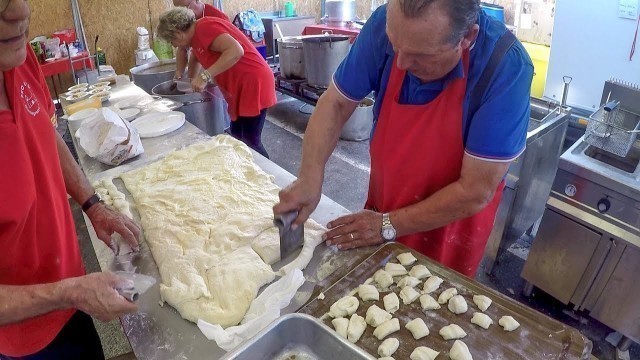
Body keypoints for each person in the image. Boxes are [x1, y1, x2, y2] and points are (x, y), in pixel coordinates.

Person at [274, 0, 533, 277]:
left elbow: (475, 190)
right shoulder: (386, 25)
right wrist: (310, 176)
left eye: (420, 56)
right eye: (395, 46)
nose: (400, 63)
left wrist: (387, 225)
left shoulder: (505, 68)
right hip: (381, 208)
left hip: (450, 232)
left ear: (467, 38)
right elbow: (335, 103)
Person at [0, 0, 142, 358]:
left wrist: (92, 205)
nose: (19, 13)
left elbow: (43, 134)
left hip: (70, 298)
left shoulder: (15, 57)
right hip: (19, 339)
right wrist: (68, 292)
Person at [158, 7, 276, 158]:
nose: (173, 45)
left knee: (250, 141)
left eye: (171, 40)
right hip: (240, 84)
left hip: (253, 81)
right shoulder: (195, 36)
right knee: (237, 136)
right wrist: (188, 81)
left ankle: (271, 177)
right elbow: (195, 57)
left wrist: (205, 76)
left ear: (178, 33)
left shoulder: (205, 28)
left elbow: (236, 51)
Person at [172, 0, 229, 81]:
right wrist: (179, 72)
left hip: (219, 68)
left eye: (185, 7)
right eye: (178, 9)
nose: (182, 12)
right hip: (199, 66)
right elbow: (182, 48)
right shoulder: (183, 19)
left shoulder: (218, 17)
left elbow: (233, 52)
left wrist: (205, 76)